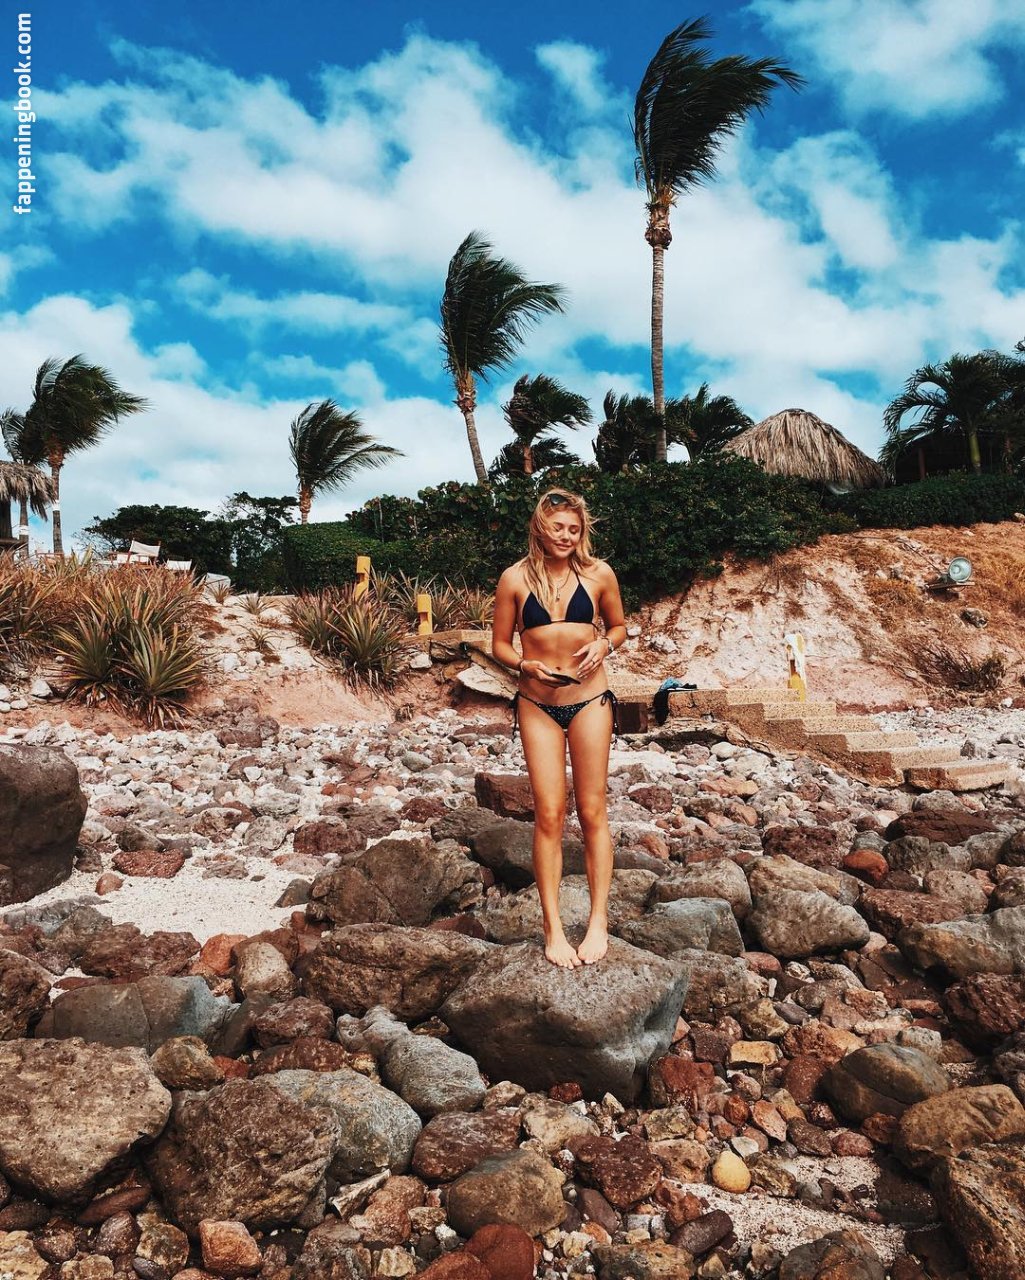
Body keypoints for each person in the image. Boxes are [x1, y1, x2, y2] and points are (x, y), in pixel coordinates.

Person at [492, 488, 627, 968]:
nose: (567, 536)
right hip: (537, 704)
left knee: (592, 810)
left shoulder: (599, 574)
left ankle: (597, 921)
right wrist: (523, 665)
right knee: (549, 814)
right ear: (540, 528)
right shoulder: (513, 579)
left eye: (574, 529)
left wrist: (604, 645)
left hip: (590, 700)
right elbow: (499, 644)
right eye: (558, 527)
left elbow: (619, 627)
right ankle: (552, 928)